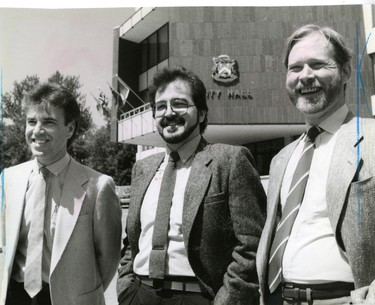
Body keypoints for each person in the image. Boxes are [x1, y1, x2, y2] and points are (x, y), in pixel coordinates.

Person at [117, 66, 266, 305]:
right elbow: (132, 242)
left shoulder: (229, 161)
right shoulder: (143, 169)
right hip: (139, 294)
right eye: (160, 107)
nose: (169, 113)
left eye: (179, 104)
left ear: (203, 113)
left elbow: (252, 244)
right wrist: (125, 287)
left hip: (199, 296)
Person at [256, 24, 375, 305]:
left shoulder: (371, 138)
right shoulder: (281, 159)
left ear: (345, 72)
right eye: (295, 68)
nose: (305, 76)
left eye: (318, 65)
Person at [0, 82, 122, 305]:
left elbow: (109, 259)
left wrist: (79, 293)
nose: (37, 130)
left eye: (48, 122)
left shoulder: (99, 186)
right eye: (31, 122)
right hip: (15, 296)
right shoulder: (9, 178)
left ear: (70, 129)